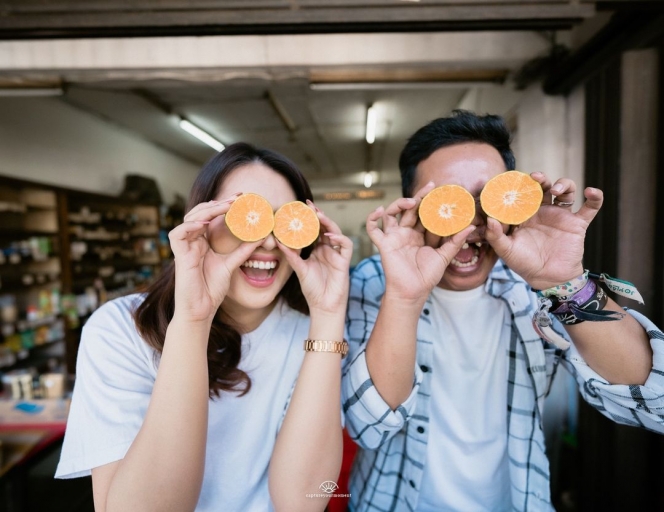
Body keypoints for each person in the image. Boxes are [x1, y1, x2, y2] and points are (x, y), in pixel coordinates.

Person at [342, 110, 664, 511]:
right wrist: (404, 296)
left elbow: (656, 404)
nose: (471, 221)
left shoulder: (535, 290)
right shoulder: (372, 282)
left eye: (485, 199)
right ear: (413, 205)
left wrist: (565, 282)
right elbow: (368, 429)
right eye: (448, 201)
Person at [56, 143, 352, 512]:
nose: (268, 242)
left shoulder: (313, 337)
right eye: (244, 215)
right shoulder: (119, 329)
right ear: (199, 223)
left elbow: (304, 502)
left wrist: (327, 314)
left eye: (284, 220)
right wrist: (194, 317)